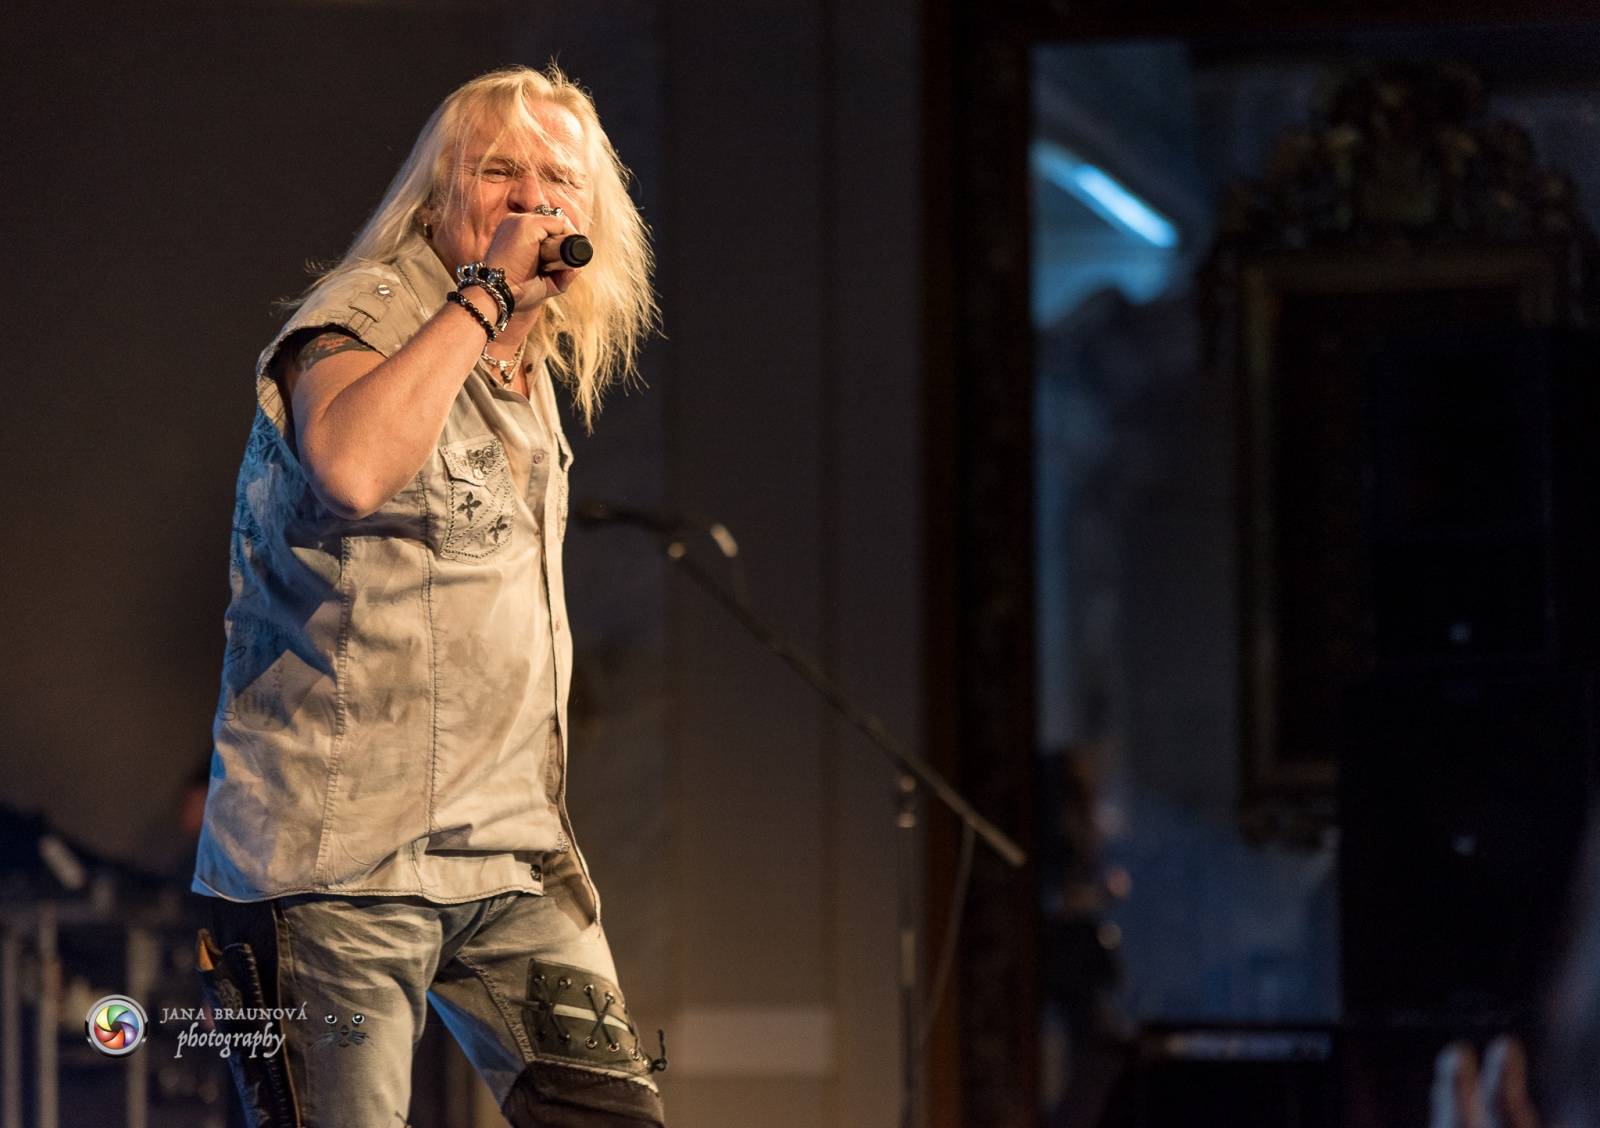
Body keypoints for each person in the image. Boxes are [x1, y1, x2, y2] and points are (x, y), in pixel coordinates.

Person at [189, 64, 664, 1127]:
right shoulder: (359, 318)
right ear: (436, 197)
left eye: (559, 178)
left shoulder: (526, 362)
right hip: (335, 869)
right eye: (498, 171)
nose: (533, 198)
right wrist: (482, 295)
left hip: (506, 859)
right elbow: (353, 468)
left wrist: (496, 314)